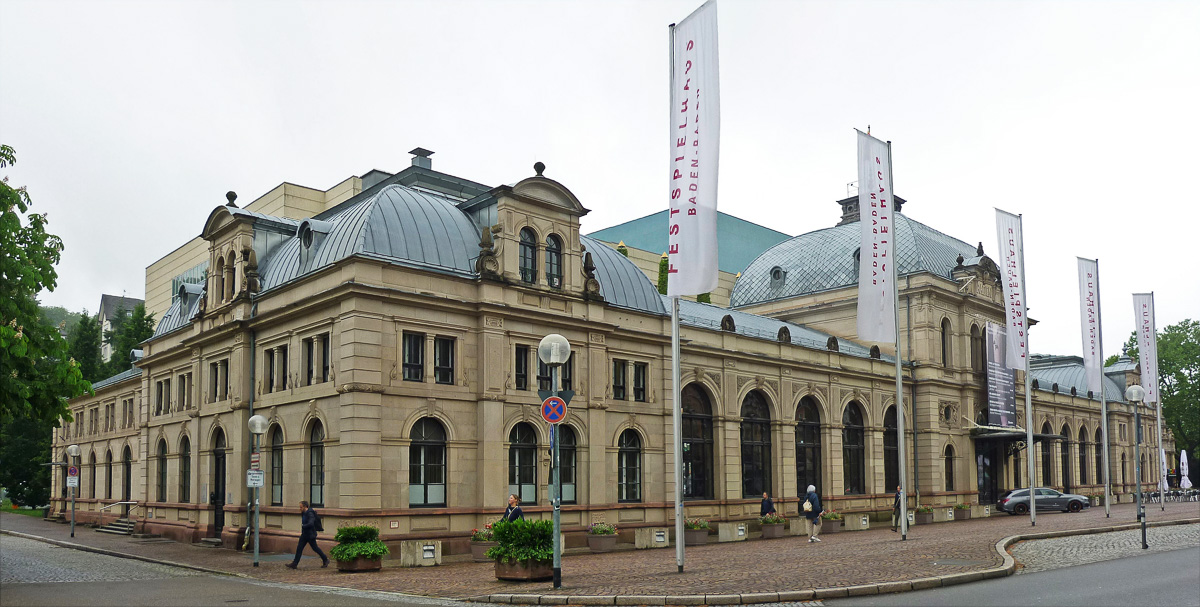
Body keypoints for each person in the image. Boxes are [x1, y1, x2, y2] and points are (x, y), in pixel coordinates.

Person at [286, 500, 328, 569]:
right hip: (305, 534)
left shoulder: (310, 513)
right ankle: (295, 563)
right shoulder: (304, 513)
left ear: (305, 507)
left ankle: (325, 559)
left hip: (310, 535)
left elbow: (311, 523)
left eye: (301, 507)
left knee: (315, 548)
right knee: (299, 548)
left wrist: (304, 526)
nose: (300, 509)